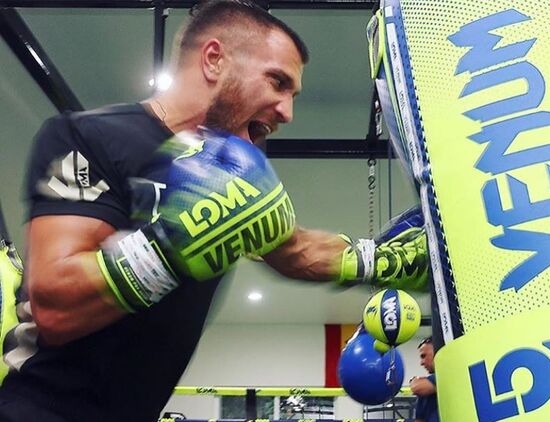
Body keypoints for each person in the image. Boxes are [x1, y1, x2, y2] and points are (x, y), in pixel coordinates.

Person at [0, 1, 428, 421]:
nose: (287, 112)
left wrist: (382, 260)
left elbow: (295, 251)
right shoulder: (89, 136)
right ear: (213, 60)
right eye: (277, 82)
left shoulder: (233, 173)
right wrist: (169, 249)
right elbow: (55, 308)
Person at [410, 336, 439, 422]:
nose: (421, 363)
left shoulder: (448, 376)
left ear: (437, 353)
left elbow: (416, 387)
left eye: (424, 356)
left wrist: (414, 381)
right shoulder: (425, 394)